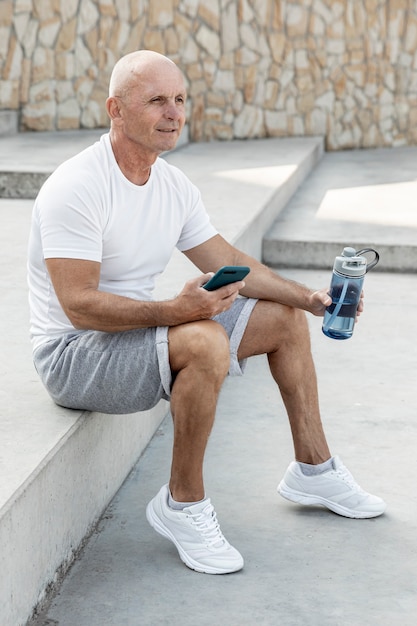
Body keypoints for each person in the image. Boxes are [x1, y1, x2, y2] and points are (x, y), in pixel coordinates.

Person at [27, 50, 386, 575]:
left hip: (133, 335)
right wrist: (175, 311)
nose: (173, 112)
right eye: (156, 100)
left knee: (282, 320)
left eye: (179, 99)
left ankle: (313, 468)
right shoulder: (77, 185)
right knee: (203, 340)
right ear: (116, 110)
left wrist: (305, 298)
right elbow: (79, 306)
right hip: (73, 356)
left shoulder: (171, 185)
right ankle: (182, 503)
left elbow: (231, 261)